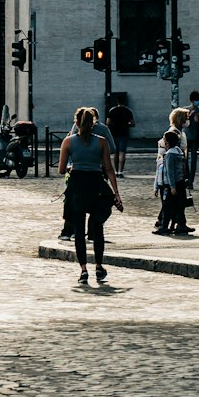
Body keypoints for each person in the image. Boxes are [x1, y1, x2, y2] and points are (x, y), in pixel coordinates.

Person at [58, 106, 122, 285]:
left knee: (78, 230)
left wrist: (74, 166)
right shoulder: (101, 141)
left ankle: (83, 270)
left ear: (76, 122)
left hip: (77, 185)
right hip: (96, 185)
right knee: (97, 228)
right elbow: (109, 169)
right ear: (93, 124)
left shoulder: (68, 142)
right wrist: (116, 192)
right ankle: (99, 266)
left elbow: (62, 169)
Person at [153, 111, 191, 235]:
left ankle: (168, 224)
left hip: (174, 180)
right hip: (174, 179)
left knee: (172, 204)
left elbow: (170, 169)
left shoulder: (174, 149)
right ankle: (173, 224)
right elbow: (168, 168)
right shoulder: (175, 135)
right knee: (173, 204)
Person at [106, 99, 136, 175]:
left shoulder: (112, 110)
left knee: (116, 152)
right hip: (124, 133)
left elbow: (108, 122)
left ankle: (116, 171)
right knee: (122, 152)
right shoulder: (128, 111)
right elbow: (133, 123)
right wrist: (126, 124)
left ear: (117, 102)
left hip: (114, 133)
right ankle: (120, 171)